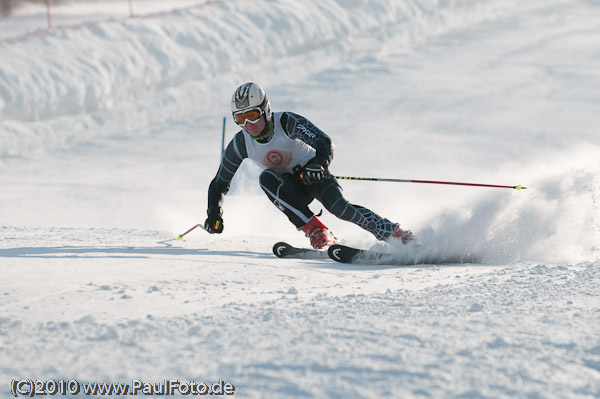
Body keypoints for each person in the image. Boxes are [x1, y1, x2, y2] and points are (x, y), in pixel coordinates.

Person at [204, 82, 416, 249]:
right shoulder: (241, 143)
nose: (248, 125)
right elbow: (219, 183)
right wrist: (214, 212)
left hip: (314, 176)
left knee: (340, 209)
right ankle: (317, 231)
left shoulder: (286, 122)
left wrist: (319, 164)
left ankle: (396, 234)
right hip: (290, 189)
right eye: (240, 118)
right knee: (266, 178)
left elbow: (323, 142)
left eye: (252, 115)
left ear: (266, 109)